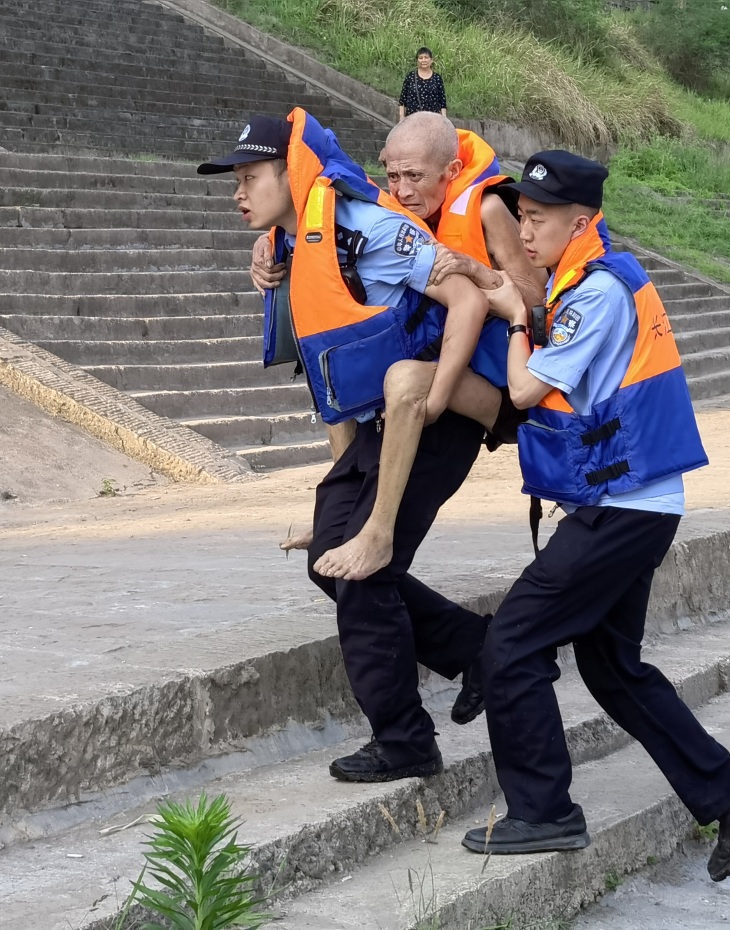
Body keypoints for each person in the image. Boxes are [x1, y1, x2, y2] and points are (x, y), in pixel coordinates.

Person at [459, 150, 730, 884]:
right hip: (634, 503)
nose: (525, 229)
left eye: (537, 219)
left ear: (582, 220)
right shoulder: (598, 279)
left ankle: (544, 812)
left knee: (510, 644)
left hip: (623, 509)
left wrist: (515, 318)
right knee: (613, 667)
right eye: (521, 216)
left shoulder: (598, 293)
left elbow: (520, 392)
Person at [198, 109, 494, 781]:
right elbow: (330, 371)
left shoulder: (369, 230)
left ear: (292, 173)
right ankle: (481, 650)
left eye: (251, 178)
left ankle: (405, 741)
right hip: (372, 429)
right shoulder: (296, 245)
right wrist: (341, 489)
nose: (239, 193)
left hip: (429, 422)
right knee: (331, 561)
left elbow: (462, 294)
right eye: (235, 181)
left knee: (364, 578)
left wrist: (438, 394)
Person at [253, 112, 545, 582]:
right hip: (437, 363)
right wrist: (268, 249)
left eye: (416, 177)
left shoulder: (486, 209)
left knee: (404, 379)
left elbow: (534, 303)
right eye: (394, 176)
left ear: (450, 172)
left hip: (494, 379)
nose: (403, 190)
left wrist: (474, 269)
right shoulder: (390, 213)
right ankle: (343, 512)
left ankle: (374, 529)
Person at [398, 47, 447, 120]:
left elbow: (442, 102)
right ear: (417, 61)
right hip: (413, 120)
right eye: (420, 58)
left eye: (426, 57)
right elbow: (402, 100)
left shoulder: (437, 78)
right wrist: (401, 118)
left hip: (432, 121)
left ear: (431, 60)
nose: (423, 60)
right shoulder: (410, 77)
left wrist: (444, 119)